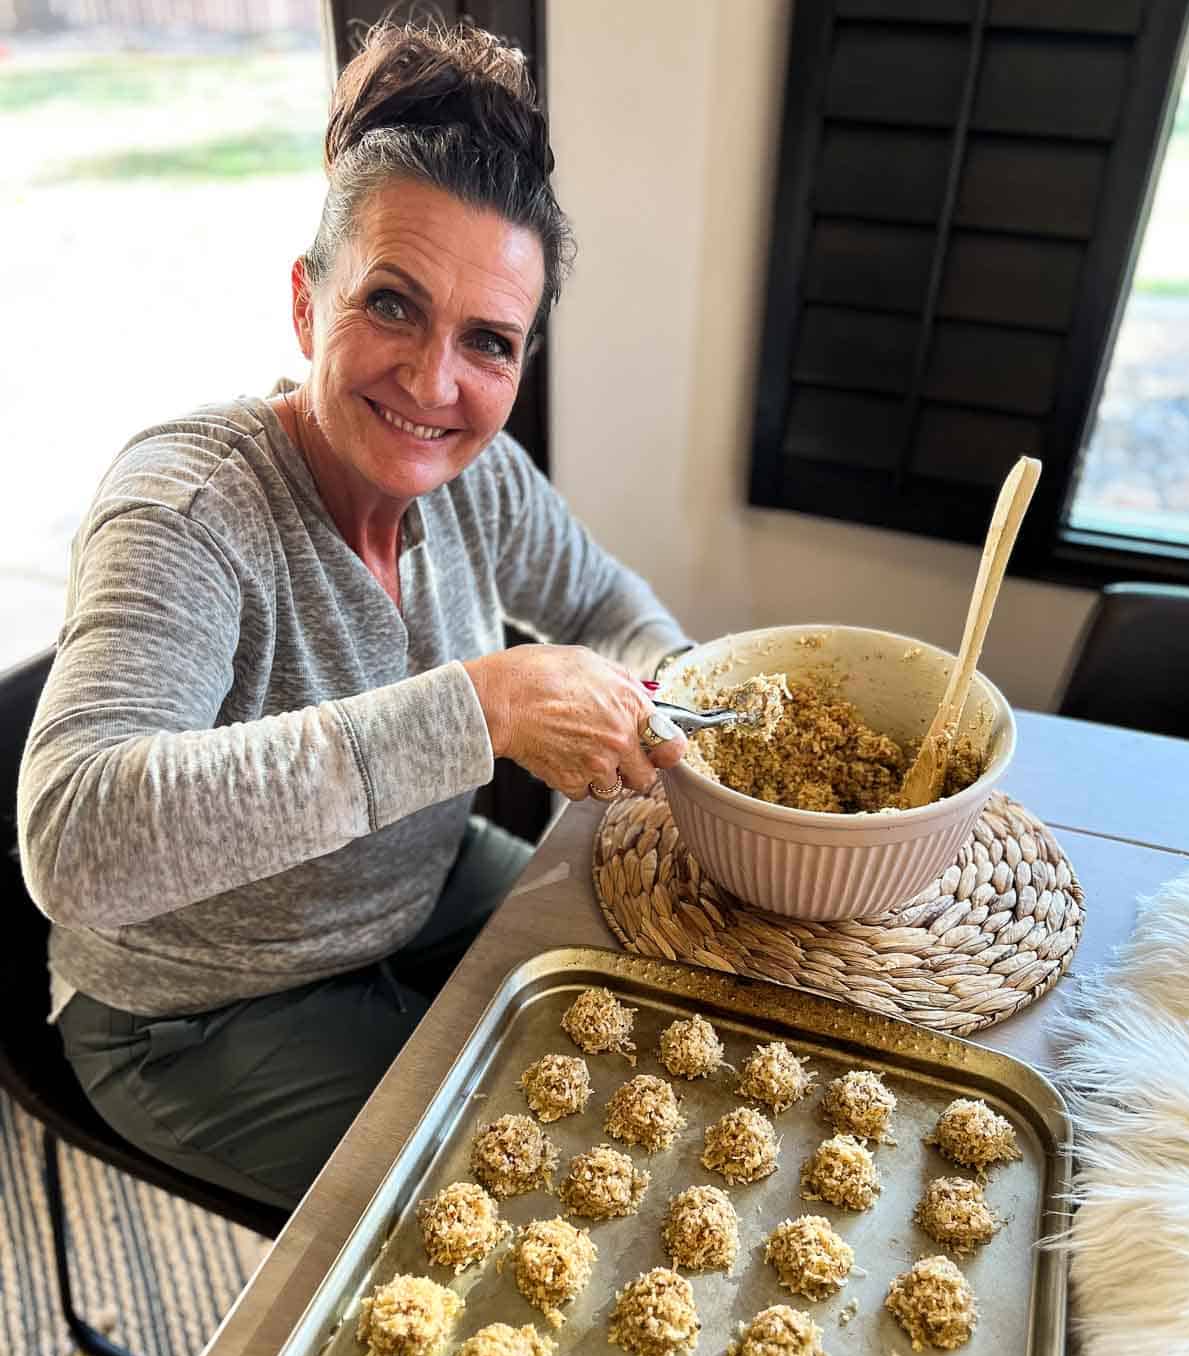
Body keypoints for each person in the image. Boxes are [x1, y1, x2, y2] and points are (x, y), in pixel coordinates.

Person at [17, 20, 693, 1210]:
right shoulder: (188, 507)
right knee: (539, 1192)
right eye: (392, 304)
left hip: (414, 894)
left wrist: (675, 689)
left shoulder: (480, 477)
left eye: (488, 342)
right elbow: (76, 840)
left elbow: (599, 599)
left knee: (672, 990)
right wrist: (474, 709)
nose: (435, 383)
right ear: (304, 302)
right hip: (194, 1010)